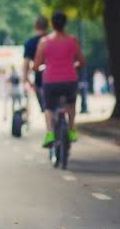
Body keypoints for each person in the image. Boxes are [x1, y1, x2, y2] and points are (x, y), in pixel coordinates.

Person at [34, 10, 86, 148]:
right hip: (70, 80)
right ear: (65, 24)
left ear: (52, 24)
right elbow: (82, 61)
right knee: (71, 104)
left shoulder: (44, 42)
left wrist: (39, 67)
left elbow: (37, 64)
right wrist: (75, 65)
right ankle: (72, 129)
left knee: (49, 107)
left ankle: (50, 133)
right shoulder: (73, 40)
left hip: (50, 81)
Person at [23, 15, 49, 126]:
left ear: (35, 26)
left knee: (47, 107)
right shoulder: (52, 40)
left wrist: (26, 79)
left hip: (40, 78)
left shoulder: (30, 43)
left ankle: (51, 131)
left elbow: (26, 64)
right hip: (58, 76)